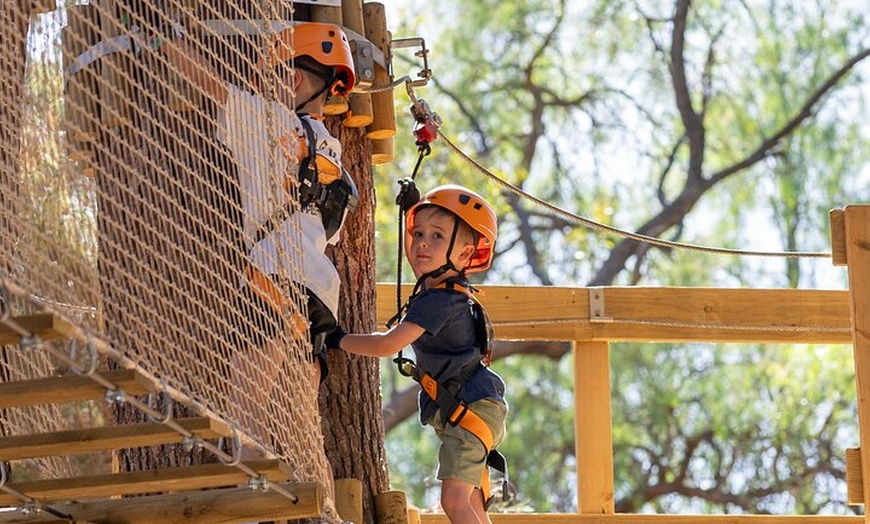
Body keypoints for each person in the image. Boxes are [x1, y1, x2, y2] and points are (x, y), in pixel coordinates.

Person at [160, 22, 358, 444]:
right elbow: (334, 232)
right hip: (320, 294)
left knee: (245, 408)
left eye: (274, 77)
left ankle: (259, 497)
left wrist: (159, 36)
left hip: (272, 278)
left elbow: (208, 84)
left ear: (293, 78)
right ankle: (314, 501)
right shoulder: (333, 154)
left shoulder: (268, 119)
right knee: (302, 427)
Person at [326, 185, 508, 524]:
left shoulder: (439, 301)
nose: (422, 242)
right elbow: (418, 258)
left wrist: (337, 339)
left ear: (466, 256)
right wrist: (413, 211)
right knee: (471, 505)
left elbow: (387, 344)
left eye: (437, 236)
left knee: (453, 502)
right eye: (419, 233)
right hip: (474, 409)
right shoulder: (442, 290)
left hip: (470, 410)